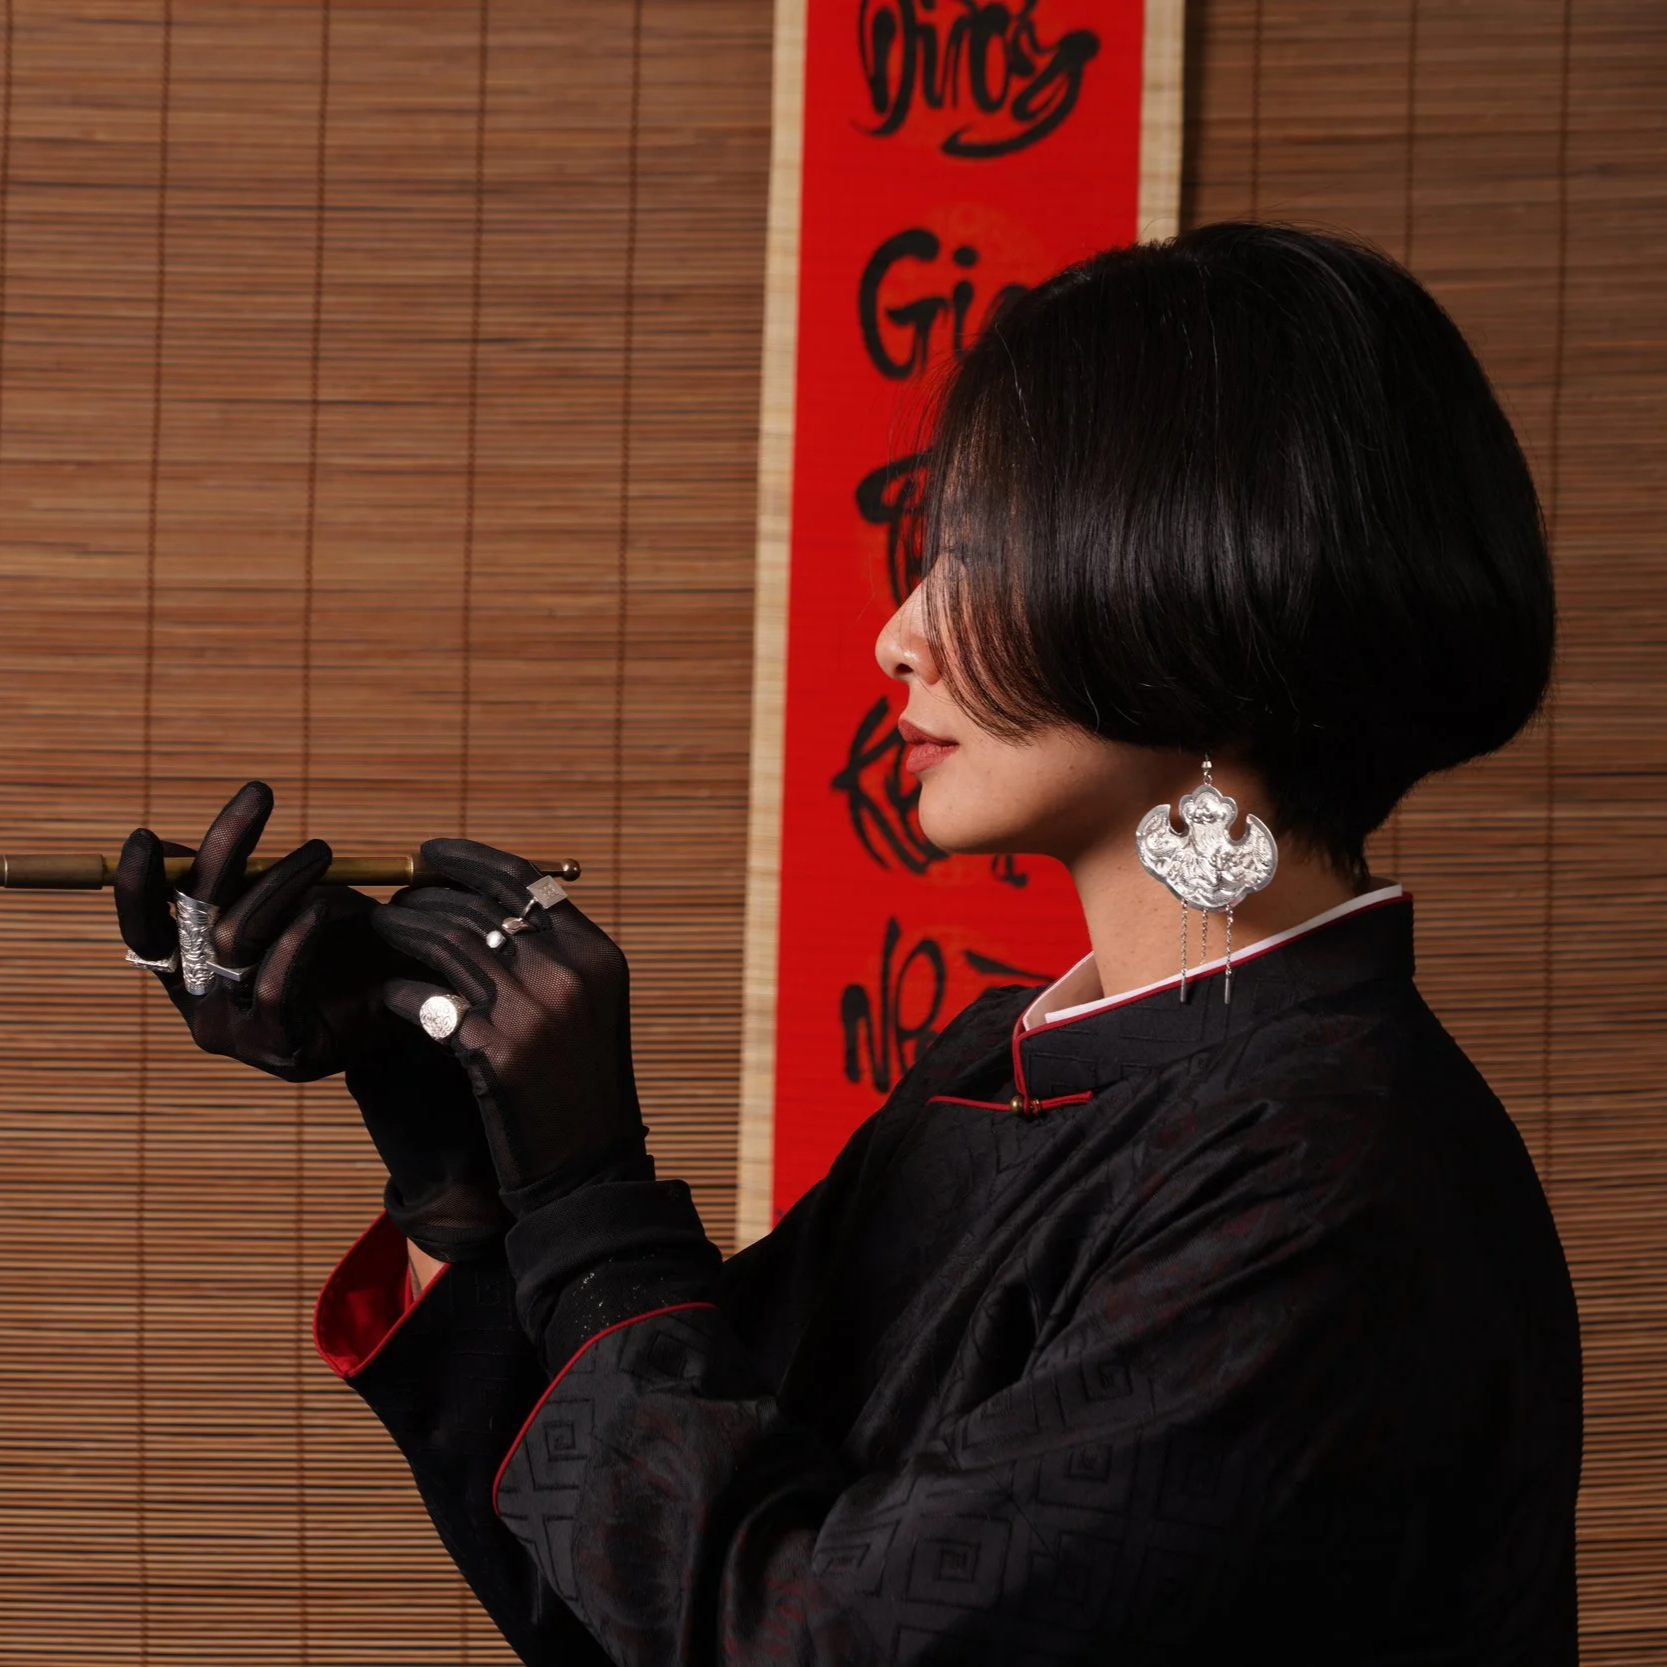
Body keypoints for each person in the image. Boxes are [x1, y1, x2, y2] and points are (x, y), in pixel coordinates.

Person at [117, 223, 1580, 1665]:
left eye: (980, 556)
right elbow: (628, 1603)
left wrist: (588, 1192)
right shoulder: (1008, 1068)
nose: (897, 635)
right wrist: (455, 1161)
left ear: (1202, 585)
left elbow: (790, 1638)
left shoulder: (1332, 1186)